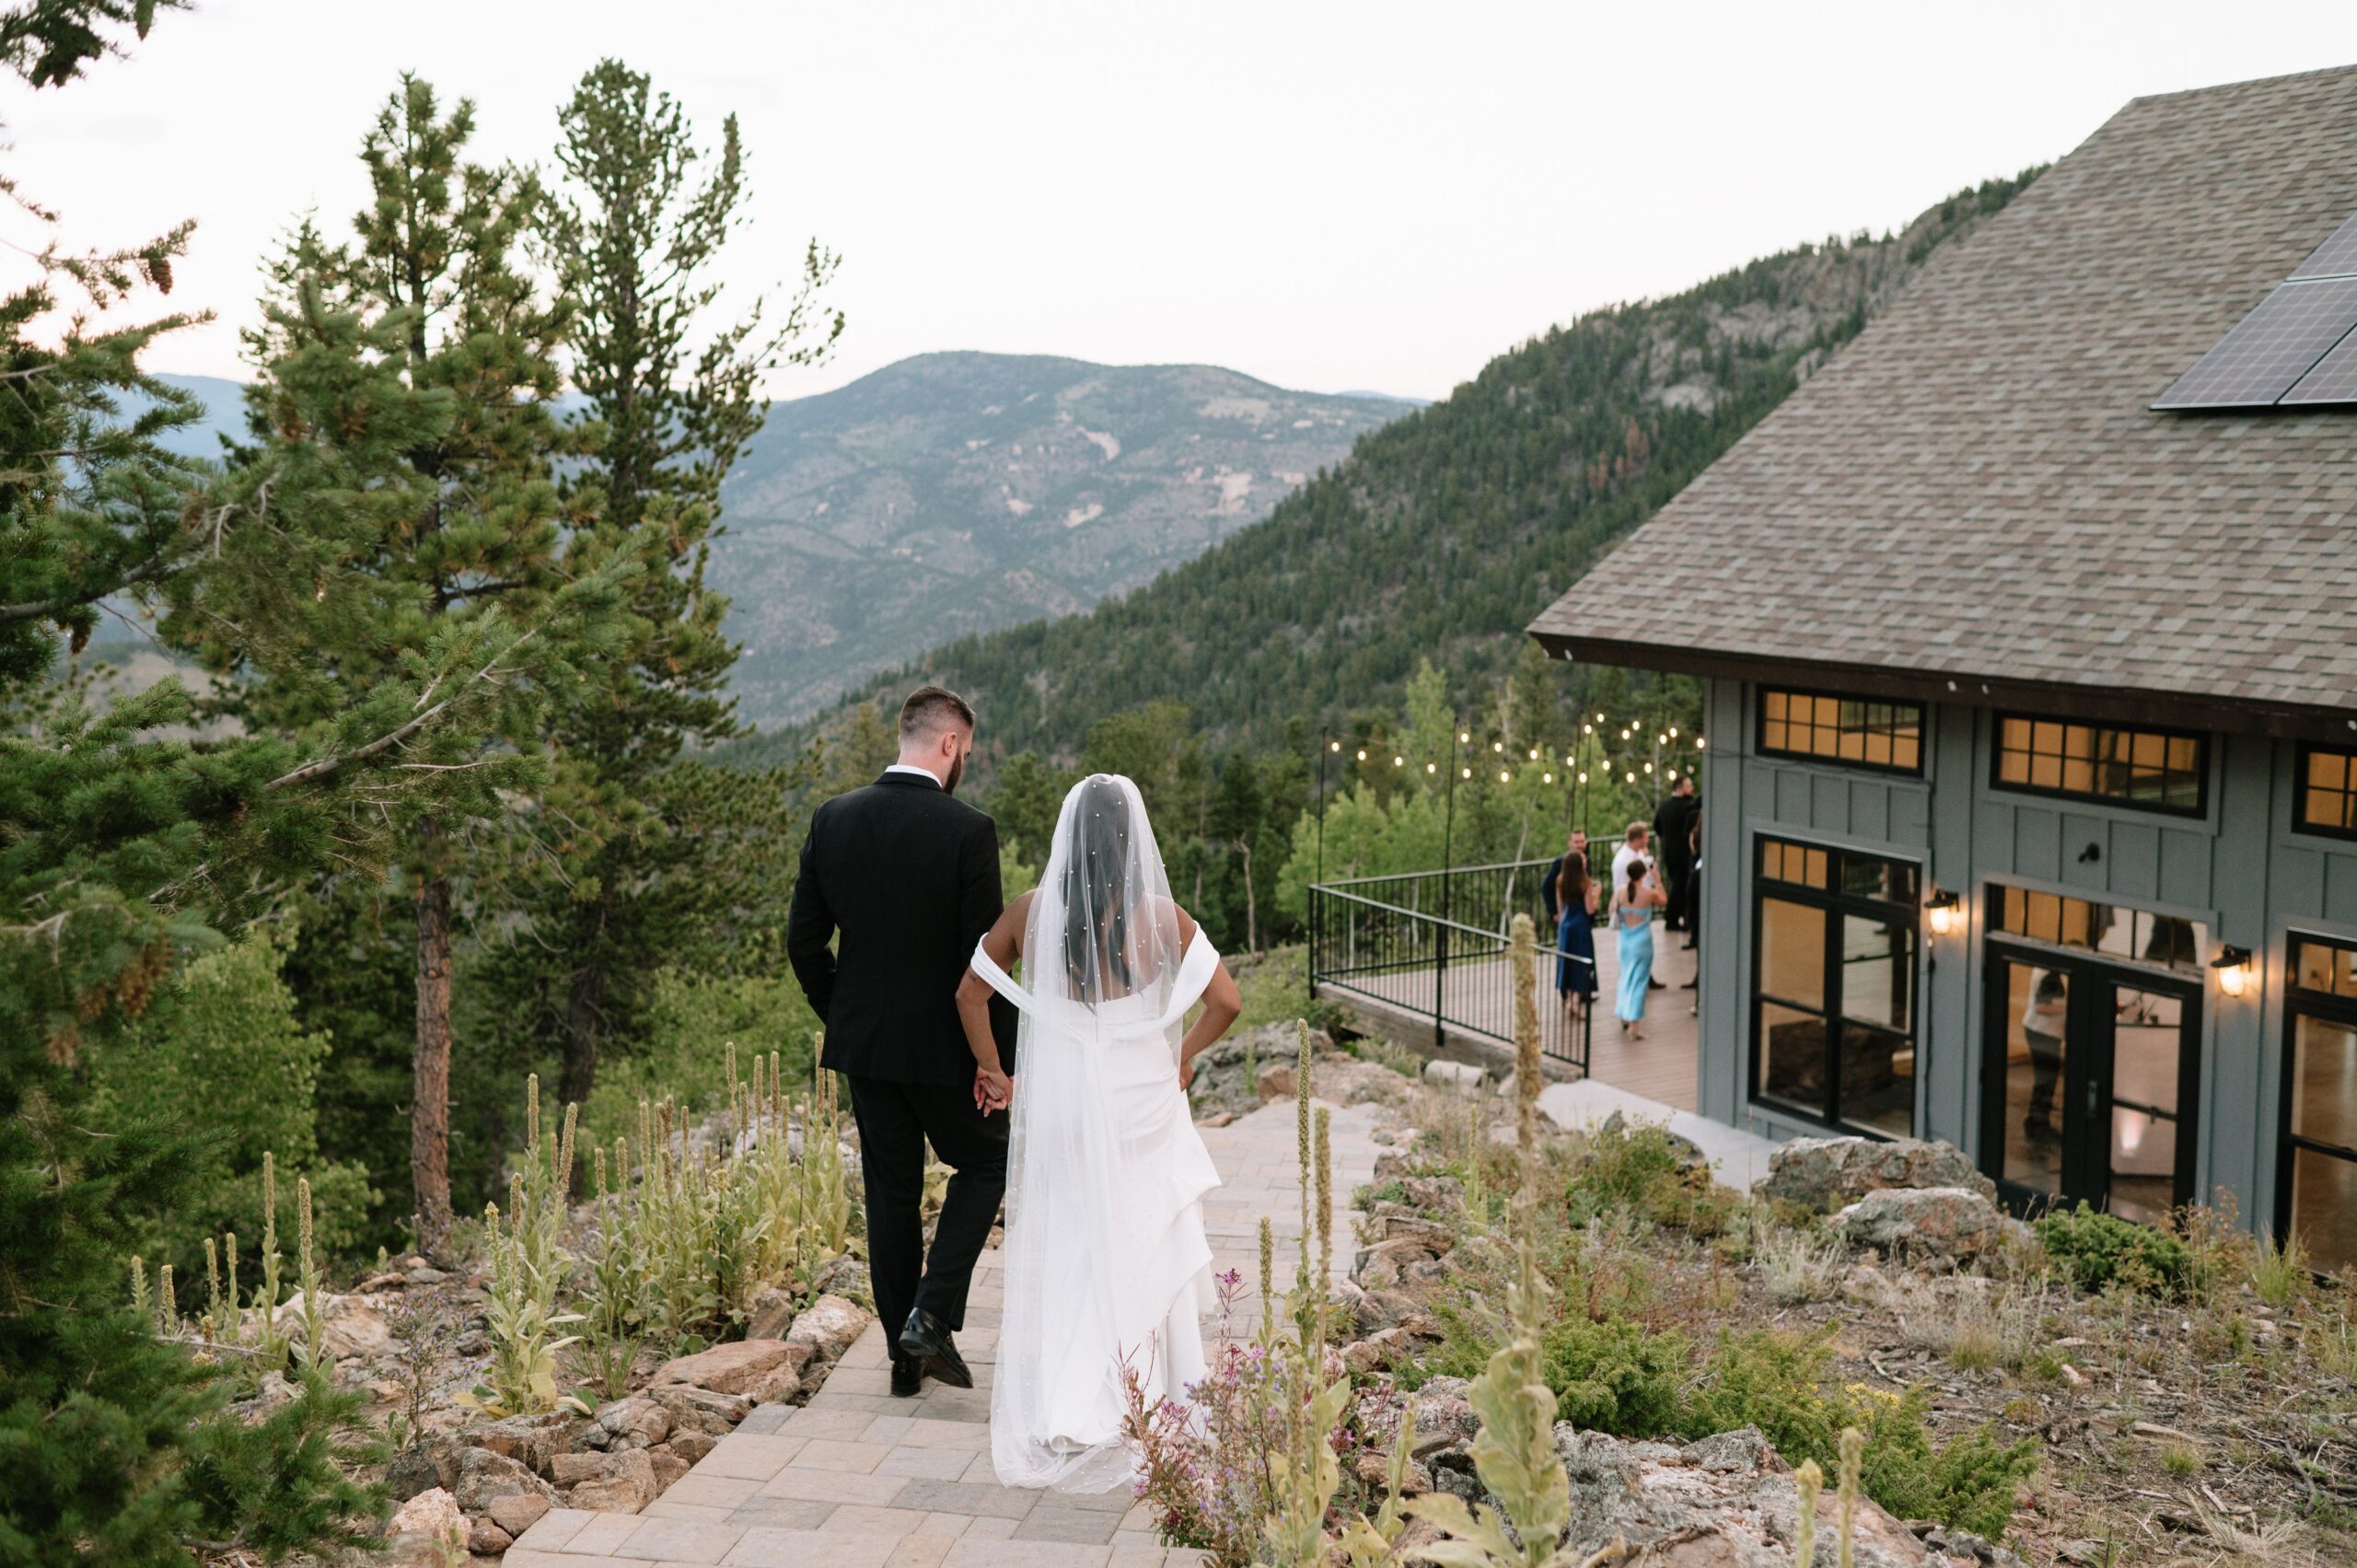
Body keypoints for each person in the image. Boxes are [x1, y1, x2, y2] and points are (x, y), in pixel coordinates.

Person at [958, 773, 1243, 1492]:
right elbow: (1227, 1000)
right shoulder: (1158, 917)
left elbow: (970, 993)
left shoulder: (1030, 912)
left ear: (1069, 837)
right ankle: (1157, 1391)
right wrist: (1180, 1056)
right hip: (1140, 1099)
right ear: (1133, 842)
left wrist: (994, 1071)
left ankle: (1072, 1394)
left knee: (1077, 1239)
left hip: (1065, 1104)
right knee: (1145, 1232)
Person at [785, 685, 1016, 1400]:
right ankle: (930, 1311)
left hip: (868, 1050)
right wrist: (994, 1062)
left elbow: (802, 942)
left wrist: (845, 1013)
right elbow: (985, 961)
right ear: (949, 744)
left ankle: (902, 1359)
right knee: (987, 1159)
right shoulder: (968, 831)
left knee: (890, 1194)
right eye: (966, 753)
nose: (963, 765)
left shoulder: (834, 818)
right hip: (946, 1050)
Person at [1611, 854, 1667, 1038]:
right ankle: (1634, 1026)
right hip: (1642, 941)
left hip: (1625, 942)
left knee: (1625, 978)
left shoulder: (1620, 891)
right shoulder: (1648, 893)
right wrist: (1658, 880)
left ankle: (1623, 1016)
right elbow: (1664, 901)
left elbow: (1612, 910)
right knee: (1639, 982)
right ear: (1643, 874)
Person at [1610, 822, 1667, 991]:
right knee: (1632, 947)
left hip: (1641, 906)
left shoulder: (1640, 854)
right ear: (1639, 838)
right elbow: (1620, 887)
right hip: (1631, 910)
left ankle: (1646, 976)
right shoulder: (1622, 861)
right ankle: (1634, 978)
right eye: (1646, 836)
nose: (1648, 839)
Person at [2022, 968, 2068, 1144]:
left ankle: (2038, 1122)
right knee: (2046, 1080)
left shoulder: (2040, 969)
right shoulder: (2052, 973)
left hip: (2038, 1030)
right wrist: (2068, 1008)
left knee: (2043, 1079)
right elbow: (2041, 1006)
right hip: (2045, 1033)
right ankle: (2037, 1125)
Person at [1653, 775, 1700, 938]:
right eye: (1689, 786)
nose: (1691, 789)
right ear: (1680, 788)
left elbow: (1657, 828)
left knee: (1676, 885)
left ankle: (1678, 918)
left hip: (1668, 852)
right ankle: (1672, 920)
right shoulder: (1688, 808)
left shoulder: (1664, 806)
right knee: (1681, 887)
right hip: (1683, 853)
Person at [1555, 848, 1597, 1016]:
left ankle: (1569, 1001)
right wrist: (1596, 896)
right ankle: (1575, 1003)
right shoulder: (1585, 882)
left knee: (1568, 963)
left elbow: (1560, 907)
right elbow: (1589, 909)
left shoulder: (1560, 881)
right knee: (1581, 965)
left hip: (1565, 926)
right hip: (1580, 926)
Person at [1538, 829, 1587, 930]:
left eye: (1582, 841)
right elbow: (1546, 887)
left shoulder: (1587, 861)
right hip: (1566, 913)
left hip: (1582, 914)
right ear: (1570, 843)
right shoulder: (1561, 862)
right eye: (1576, 842)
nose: (1580, 845)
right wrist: (1554, 912)